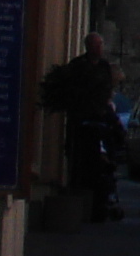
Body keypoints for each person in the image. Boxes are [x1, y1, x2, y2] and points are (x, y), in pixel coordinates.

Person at [42, 33, 123, 219]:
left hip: (100, 124)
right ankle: (85, 203)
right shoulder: (77, 66)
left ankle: (99, 205)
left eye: (101, 45)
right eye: (97, 45)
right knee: (81, 165)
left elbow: (107, 92)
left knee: (102, 166)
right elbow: (72, 94)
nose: (100, 49)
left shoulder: (104, 67)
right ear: (88, 47)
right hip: (82, 124)